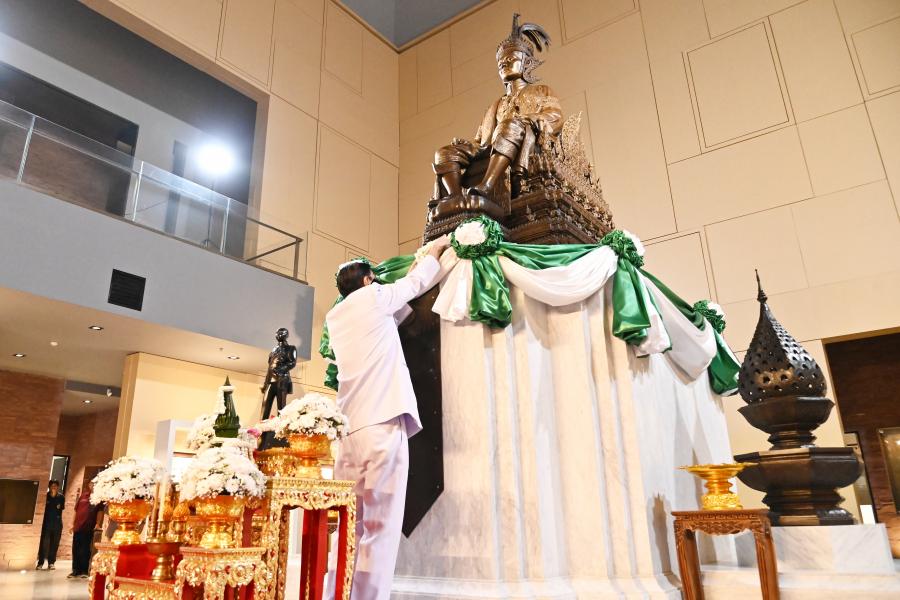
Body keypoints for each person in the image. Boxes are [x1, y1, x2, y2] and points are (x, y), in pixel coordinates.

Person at [325, 235, 451, 600]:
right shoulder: (375, 297)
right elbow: (415, 283)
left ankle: (337, 593)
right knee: (381, 526)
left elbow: (397, 316)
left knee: (347, 524)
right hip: (381, 422)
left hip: (349, 432)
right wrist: (435, 251)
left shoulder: (336, 317)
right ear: (368, 281)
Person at [67, 482, 102, 579]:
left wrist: (98, 523)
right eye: (91, 484)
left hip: (88, 527)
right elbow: (76, 510)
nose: (92, 486)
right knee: (75, 549)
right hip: (78, 527)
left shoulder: (98, 498)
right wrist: (72, 524)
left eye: (94, 484)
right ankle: (75, 571)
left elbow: (100, 512)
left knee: (85, 549)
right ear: (89, 485)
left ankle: (84, 571)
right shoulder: (83, 496)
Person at [35, 480, 64, 570]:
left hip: (57, 523)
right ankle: (40, 562)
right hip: (46, 523)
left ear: (58, 487)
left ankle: (51, 563)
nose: (53, 487)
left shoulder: (61, 497)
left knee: (54, 544)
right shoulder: (46, 496)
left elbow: (61, 508)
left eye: (55, 486)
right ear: (49, 487)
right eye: (52, 485)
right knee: (44, 543)